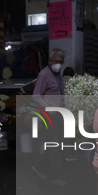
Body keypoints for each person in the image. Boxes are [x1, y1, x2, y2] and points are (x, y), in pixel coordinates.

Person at [31, 48, 67, 187]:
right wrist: (48, 108)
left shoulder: (57, 73)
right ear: (50, 61)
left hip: (58, 114)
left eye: (61, 62)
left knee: (56, 143)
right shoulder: (44, 74)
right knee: (55, 145)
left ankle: (39, 166)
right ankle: (55, 176)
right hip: (48, 115)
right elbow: (35, 96)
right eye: (56, 61)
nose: (58, 64)